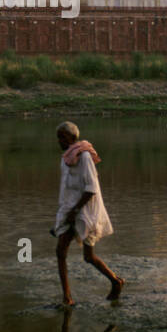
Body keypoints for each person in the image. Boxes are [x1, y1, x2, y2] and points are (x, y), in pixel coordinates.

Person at [52, 121, 123, 305]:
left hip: (85, 210)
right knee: (60, 251)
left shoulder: (84, 157)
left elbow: (91, 188)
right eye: (58, 137)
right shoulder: (65, 158)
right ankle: (67, 297)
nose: (59, 140)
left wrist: (75, 211)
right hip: (70, 209)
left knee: (88, 256)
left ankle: (116, 282)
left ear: (73, 137)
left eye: (62, 137)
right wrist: (63, 215)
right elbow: (65, 189)